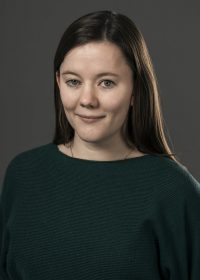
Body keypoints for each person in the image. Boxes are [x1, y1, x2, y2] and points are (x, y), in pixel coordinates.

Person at [0, 10, 200, 280]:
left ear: (135, 90)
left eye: (106, 83)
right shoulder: (22, 175)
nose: (87, 99)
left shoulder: (174, 191)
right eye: (73, 81)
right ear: (58, 82)